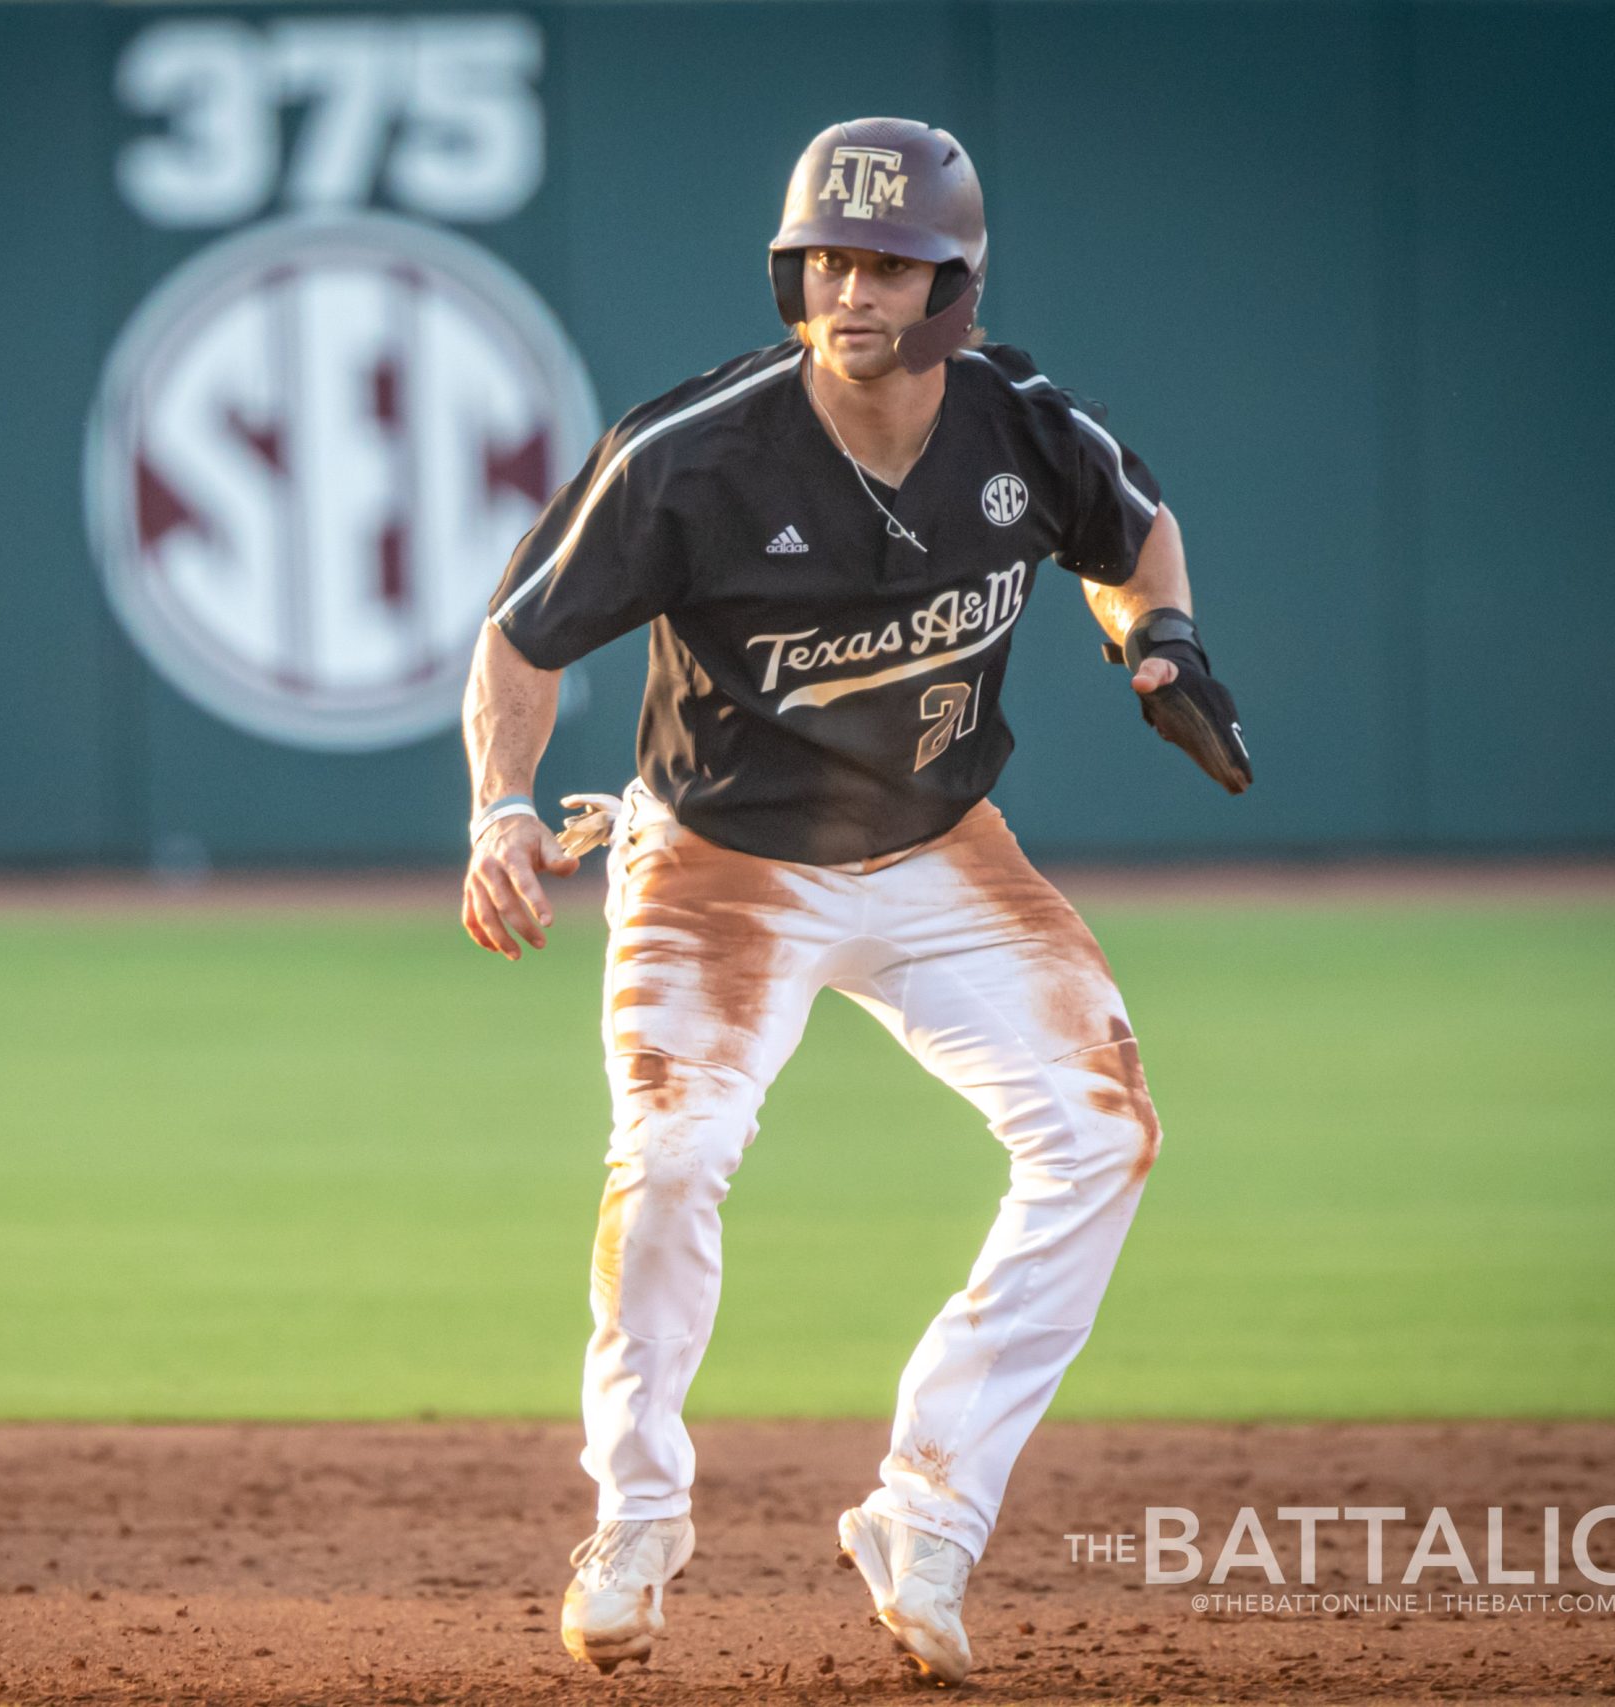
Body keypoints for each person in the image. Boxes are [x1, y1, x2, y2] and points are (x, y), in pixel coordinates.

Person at [457, 116, 1250, 1686]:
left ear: (954, 284)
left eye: (888, 261)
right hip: (717, 871)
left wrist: (1159, 640)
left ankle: (929, 1510)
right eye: (829, 255)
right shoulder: (697, 453)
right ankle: (636, 1512)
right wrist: (496, 808)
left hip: (943, 853)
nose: (852, 286)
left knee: (1104, 1135)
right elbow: (521, 641)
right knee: (674, 1153)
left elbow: (1134, 530)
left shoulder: (1020, 427)